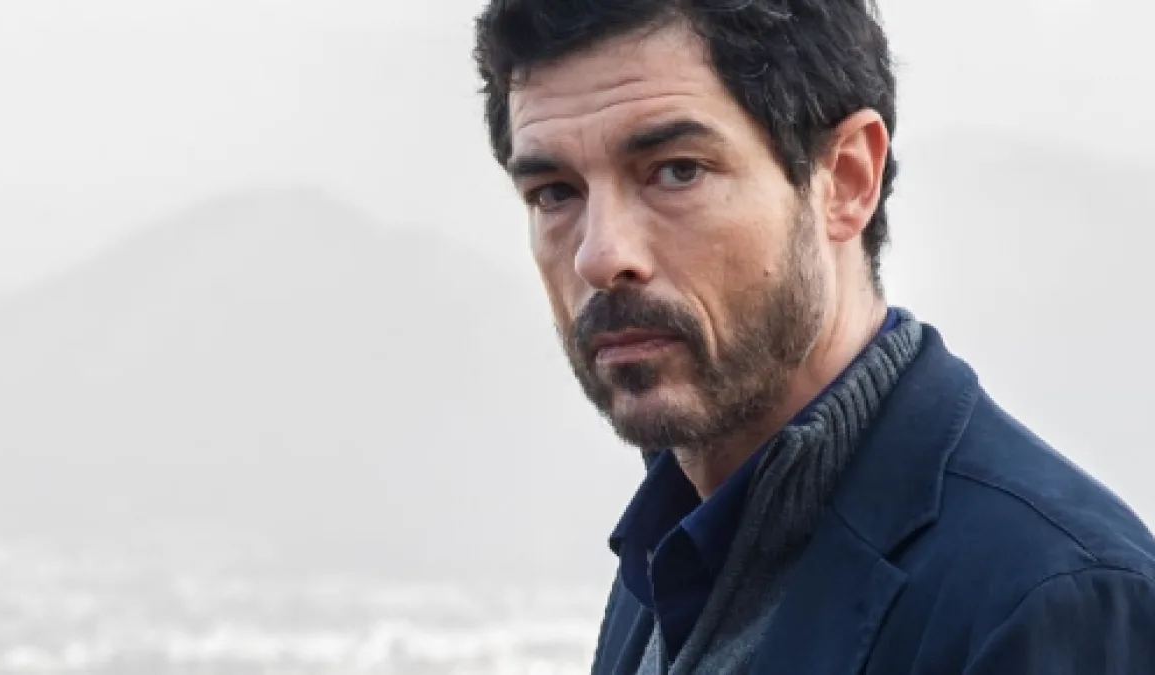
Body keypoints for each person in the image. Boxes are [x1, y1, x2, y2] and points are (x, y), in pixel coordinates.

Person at [471, 1, 1155, 672]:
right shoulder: (670, 549)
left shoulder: (1054, 602)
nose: (599, 256)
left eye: (677, 170)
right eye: (555, 192)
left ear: (848, 179)